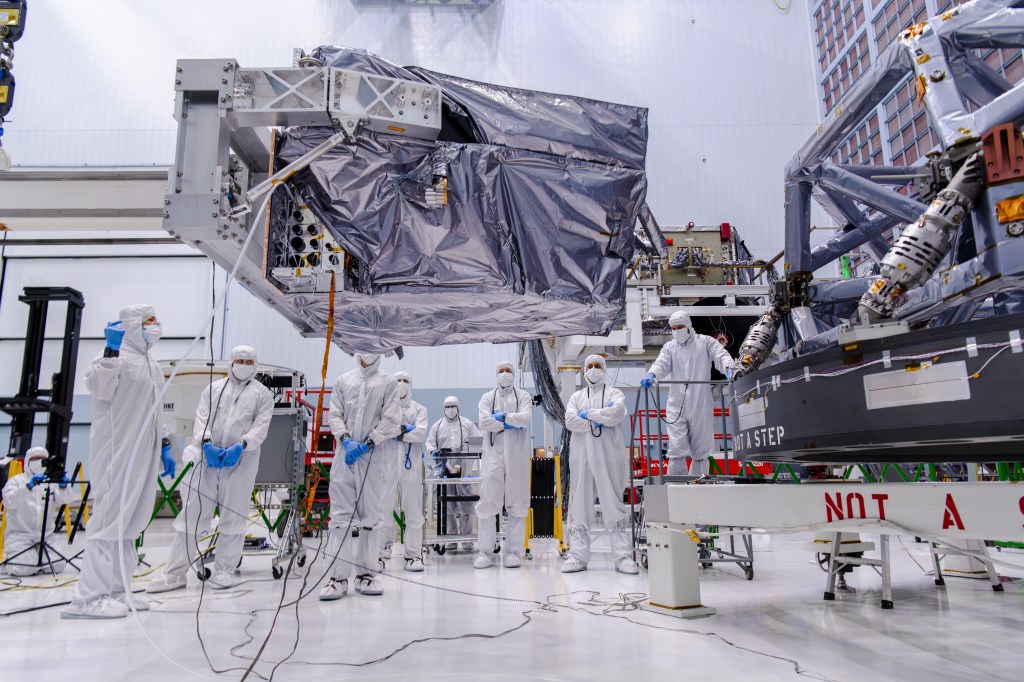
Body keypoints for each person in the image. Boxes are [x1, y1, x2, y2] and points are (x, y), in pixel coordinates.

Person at [63, 305, 175, 619]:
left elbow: (153, 407)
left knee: (128, 524)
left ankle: (118, 589)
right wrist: (111, 349)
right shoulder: (113, 356)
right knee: (108, 521)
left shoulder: (150, 361)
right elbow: (98, 388)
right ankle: (86, 598)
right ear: (131, 324)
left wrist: (164, 442)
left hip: (143, 451)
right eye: (149, 321)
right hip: (117, 451)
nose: (156, 326)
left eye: (156, 319)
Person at [146, 345, 274, 593]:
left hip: (241, 461)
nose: (243, 365)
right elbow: (202, 418)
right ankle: (175, 574)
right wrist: (206, 444)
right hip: (206, 458)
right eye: (239, 360)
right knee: (191, 517)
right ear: (231, 362)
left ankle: (224, 571)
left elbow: (260, 427)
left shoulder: (263, 395)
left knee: (233, 518)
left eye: (248, 361)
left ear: (255, 365)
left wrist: (241, 445)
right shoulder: (213, 389)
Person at [320, 353, 401, 601]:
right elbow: (334, 414)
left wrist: (367, 443)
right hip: (345, 454)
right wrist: (345, 439)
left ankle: (366, 575)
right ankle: (337, 578)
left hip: (372, 456)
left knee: (371, 516)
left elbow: (391, 418)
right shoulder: (344, 380)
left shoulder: (388, 382)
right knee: (340, 519)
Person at [562, 355, 638, 574]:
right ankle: (577, 556)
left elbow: (617, 413)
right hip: (582, 457)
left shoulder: (615, 393)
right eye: (589, 366)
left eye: (597, 366)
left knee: (613, 502)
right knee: (581, 503)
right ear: (583, 370)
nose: (593, 370)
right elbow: (570, 421)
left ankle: (622, 557)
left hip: (608, 456)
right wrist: (599, 420)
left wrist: (591, 416)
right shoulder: (576, 396)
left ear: (604, 369)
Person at [640, 311, 738, 477]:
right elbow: (661, 363)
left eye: (680, 327)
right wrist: (652, 375)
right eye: (674, 328)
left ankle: (699, 486)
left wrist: (730, 369)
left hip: (700, 400)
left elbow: (720, 355)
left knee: (701, 446)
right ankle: (677, 485)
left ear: (689, 326)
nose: (677, 330)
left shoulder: (705, 342)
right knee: (676, 446)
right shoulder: (669, 347)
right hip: (676, 402)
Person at [475, 361, 533, 569]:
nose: (505, 374)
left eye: (508, 371)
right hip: (493, 456)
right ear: (496, 374)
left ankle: (514, 552)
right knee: (489, 502)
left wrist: (501, 419)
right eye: (501, 371)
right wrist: (511, 422)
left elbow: (526, 419)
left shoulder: (523, 396)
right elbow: (484, 422)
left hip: (516, 456)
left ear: (514, 374)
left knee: (517, 503)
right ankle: (485, 552)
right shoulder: (487, 398)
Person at [378, 371, 428, 572]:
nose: (401, 384)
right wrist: (405, 430)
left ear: (411, 385)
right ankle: (380, 553)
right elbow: (382, 430)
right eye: (397, 380)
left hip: (411, 467)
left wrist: (398, 433)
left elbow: (421, 433)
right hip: (387, 465)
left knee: (413, 511)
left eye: (405, 380)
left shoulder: (419, 409)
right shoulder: (385, 409)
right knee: (383, 509)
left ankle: (413, 555)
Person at [1, 448, 75, 577]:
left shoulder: (50, 482)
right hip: (21, 535)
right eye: (35, 459)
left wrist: (64, 486)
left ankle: (36, 559)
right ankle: (27, 559)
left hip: (46, 535)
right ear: (27, 461)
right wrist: (28, 487)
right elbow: (9, 502)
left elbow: (65, 499)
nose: (39, 461)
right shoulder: (16, 481)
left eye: (43, 459)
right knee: (23, 569)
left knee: (58, 565)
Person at [425, 396, 482, 554]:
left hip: (464, 468)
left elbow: (479, 442)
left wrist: (471, 452)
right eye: (447, 406)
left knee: (467, 506)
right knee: (448, 507)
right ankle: (450, 539)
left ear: (458, 407)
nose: (450, 409)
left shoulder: (467, 424)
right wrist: (433, 451)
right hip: (446, 468)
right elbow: (429, 443)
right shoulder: (437, 426)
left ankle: (467, 539)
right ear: (444, 408)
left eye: (453, 406)